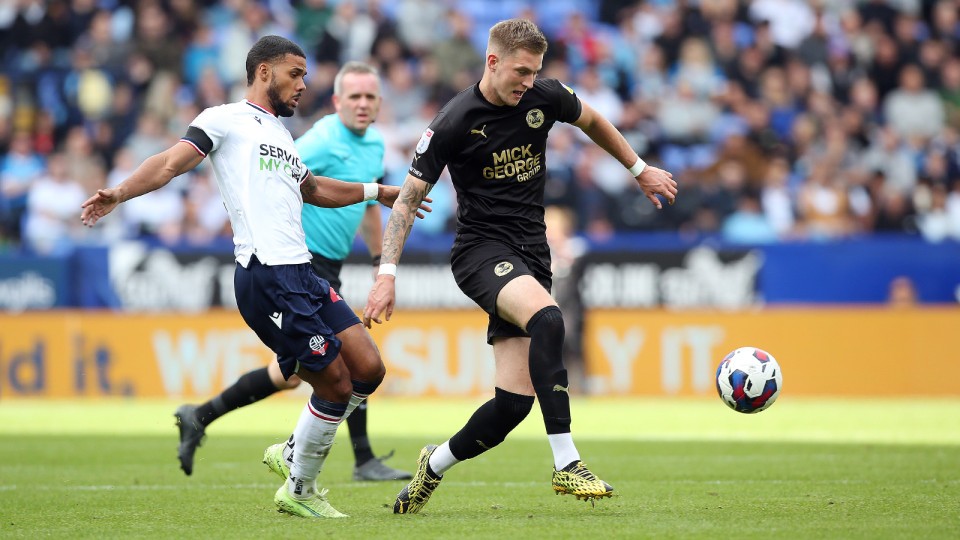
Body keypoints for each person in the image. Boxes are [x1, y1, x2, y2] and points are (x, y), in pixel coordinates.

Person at [81, 36, 428, 519]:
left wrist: (379, 191)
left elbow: (315, 188)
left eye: (305, 76)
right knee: (334, 385)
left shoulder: (282, 135)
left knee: (369, 369)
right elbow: (167, 163)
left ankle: (292, 451)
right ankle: (300, 486)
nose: (304, 84)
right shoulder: (222, 119)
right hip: (265, 277)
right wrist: (118, 193)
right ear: (264, 72)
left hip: (302, 272)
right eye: (296, 74)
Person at [363, 18, 677, 514]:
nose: (528, 82)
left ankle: (433, 466)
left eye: (534, 73)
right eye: (521, 72)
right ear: (492, 62)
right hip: (480, 252)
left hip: (532, 254)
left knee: (511, 407)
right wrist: (386, 276)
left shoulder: (544, 97)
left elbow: (592, 120)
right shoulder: (453, 120)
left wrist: (639, 170)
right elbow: (406, 202)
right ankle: (567, 463)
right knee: (550, 317)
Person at [174, 61, 411, 483]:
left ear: (379, 104)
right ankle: (357, 458)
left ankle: (201, 415)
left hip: (326, 263)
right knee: (344, 364)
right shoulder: (319, 138)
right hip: (299, 261)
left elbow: (370, 207)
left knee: (298, 372)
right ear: (337, 101)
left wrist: (380, 263)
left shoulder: (374, 145)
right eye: (353, 96)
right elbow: (281, 178)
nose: (362, 104)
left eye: (369, 97)